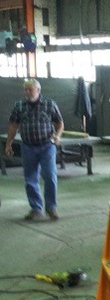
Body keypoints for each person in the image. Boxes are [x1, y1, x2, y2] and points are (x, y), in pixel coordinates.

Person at [4, 79, 64, 221]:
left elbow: (60, 123)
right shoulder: (19, 106)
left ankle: (51, 208)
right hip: (28, 147)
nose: (27, 92)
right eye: (26, 89)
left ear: (38, 90)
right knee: (30, 178)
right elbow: (13, 126)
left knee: (50, 176)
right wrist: (8, 144)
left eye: (30, 89)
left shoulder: (49, 104)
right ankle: (36, 209)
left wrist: (57, 135)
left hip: (47, 146)